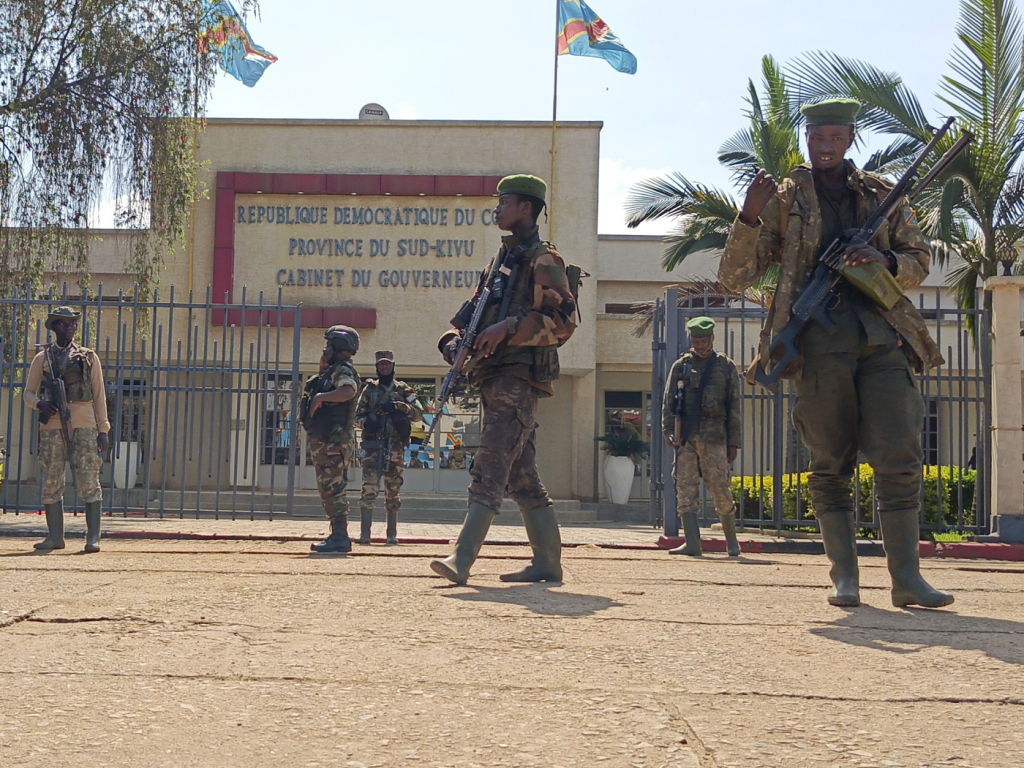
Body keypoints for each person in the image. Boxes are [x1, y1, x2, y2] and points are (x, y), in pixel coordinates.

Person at [718, 97, 953, 608]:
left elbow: (918, 260)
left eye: (835, 138)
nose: (824, 147)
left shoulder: (882, 194)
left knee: (899, 455)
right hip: (819, 347)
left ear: (850, 140)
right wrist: (748, 216)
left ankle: (907, 580)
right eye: (817, 138)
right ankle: (844, 577)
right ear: (807, 139)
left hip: (882, 338)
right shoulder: (785, 200)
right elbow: (735, 277)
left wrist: (883, 258)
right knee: (829, 463)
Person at [430, 173, 577, 585]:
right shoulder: (500, 263)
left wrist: (508, 328)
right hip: (491, 375)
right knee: (522, 475)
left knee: (492, 461)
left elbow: (564, 321)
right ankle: (547, 563)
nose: (497, 209)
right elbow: (470, 318)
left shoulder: (543, 259)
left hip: (519, 376)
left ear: (526, 207)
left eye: (504, 201)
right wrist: (453, 342)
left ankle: (462, 558)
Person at [23, 306, 110, 553]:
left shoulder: (88, 357)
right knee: (52, 479)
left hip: (84, 425)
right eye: (63, 323)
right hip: (52, 426)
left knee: (88, 478)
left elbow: (99, 395)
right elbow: (28, 392)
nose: (69, 327)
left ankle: (93, 537)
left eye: (72, 323)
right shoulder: (43, 358)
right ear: (53, 327)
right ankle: (55, 537)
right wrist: (40, 404)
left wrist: (103, 429)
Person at [662, 316, 742, 557]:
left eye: (704, 341)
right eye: (696, 341)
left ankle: (731, 542)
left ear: (712, 339)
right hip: (686, 437)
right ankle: (692, 543)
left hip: (715, 437)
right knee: (685, 488)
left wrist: (733, 442)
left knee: (720, 487)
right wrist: (668, 430)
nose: (700, 345)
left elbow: (734, 406)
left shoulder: (726, 367)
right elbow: (668, 402)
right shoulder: (681, 366)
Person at [301, 325, 361, 554]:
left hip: (334, 441)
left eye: (328, 345)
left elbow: (348, 391)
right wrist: (323, 370)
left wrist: (320, 397)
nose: (324, 349)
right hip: (327, 439)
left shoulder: (343, 369)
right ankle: (337, 534)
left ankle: (340, 537)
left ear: (337, 348)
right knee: (328, 488)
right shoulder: (331, 370)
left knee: (333, 487)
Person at [354, 350, 423, 545]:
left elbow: (418, 414)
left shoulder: (403, 390)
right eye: (381, 364)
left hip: (395, 448)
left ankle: (391, 534)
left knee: (393, 489)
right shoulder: (369, 390)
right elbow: (356, 417)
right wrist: (367, 423)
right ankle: (365, 534)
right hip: (373, 447)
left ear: (393, 366)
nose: (384, 367)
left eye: (388, 364)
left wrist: (399, 406)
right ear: (377, 367)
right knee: (369, 488)